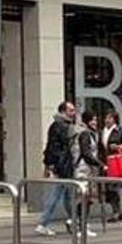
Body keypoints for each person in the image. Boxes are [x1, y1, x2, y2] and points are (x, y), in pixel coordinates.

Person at [35, 101, 76, 237]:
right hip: (63, 165)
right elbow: (56, 147)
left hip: (62, 164)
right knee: (58, 194)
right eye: (70, 110)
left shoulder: (58, 126)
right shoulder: (62, 127)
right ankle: (43, 223)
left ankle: (74, 220)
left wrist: (48, 164)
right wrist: (50, 164)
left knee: (67, 195)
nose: (73, 113)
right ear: (63, 112)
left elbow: (50, 147)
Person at [73, 111, 103, 238]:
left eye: (95, 120)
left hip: (87, 169)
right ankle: (81, 226)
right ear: (86, 121)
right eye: (92, 120)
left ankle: (81, 224)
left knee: (87, 198)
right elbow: (86, 153)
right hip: (83, 169)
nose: (95, 122)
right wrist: (101, 164)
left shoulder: (90, 133)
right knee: (83, 198)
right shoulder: (85, 134)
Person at [100, 110, 122, 223]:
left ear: (114, 119)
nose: (106, 120)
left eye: (109, 118)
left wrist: (120, 146)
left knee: (113, 187)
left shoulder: (120, 131)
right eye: (106, 118)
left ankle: (116, 212)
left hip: (115, 162)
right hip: (105, 162)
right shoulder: (102, 131)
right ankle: (116, 211)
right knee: (108, 188)